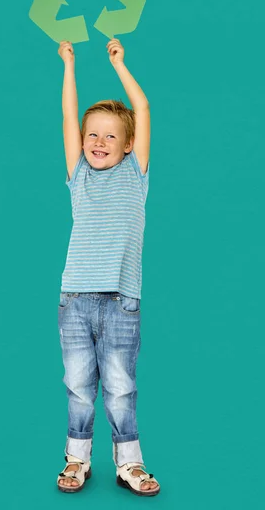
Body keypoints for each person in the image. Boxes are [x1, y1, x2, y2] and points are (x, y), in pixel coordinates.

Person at [56, 38, 160, 497]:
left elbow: (142, 105)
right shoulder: (78, 174)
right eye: (91, 133)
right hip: (75, 299)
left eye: (110, 135)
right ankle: (77, 458)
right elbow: (67, 116)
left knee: (120, 386)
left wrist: (120, 65)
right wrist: (69, 66)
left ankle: (129, 463)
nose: (98, 142)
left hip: (122, 302)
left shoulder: (135, 174)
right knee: (79, 384)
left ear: (128, 144)